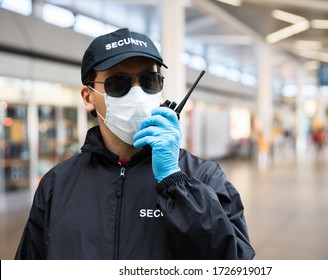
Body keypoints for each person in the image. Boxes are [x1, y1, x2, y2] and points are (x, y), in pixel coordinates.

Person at [15, 28, 255, 260]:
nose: (138, 93)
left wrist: (176, 183)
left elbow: (232, 262)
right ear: (89, 97)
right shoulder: (57, 184)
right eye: (118, 83)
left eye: (149, 80)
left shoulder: (203, 177)